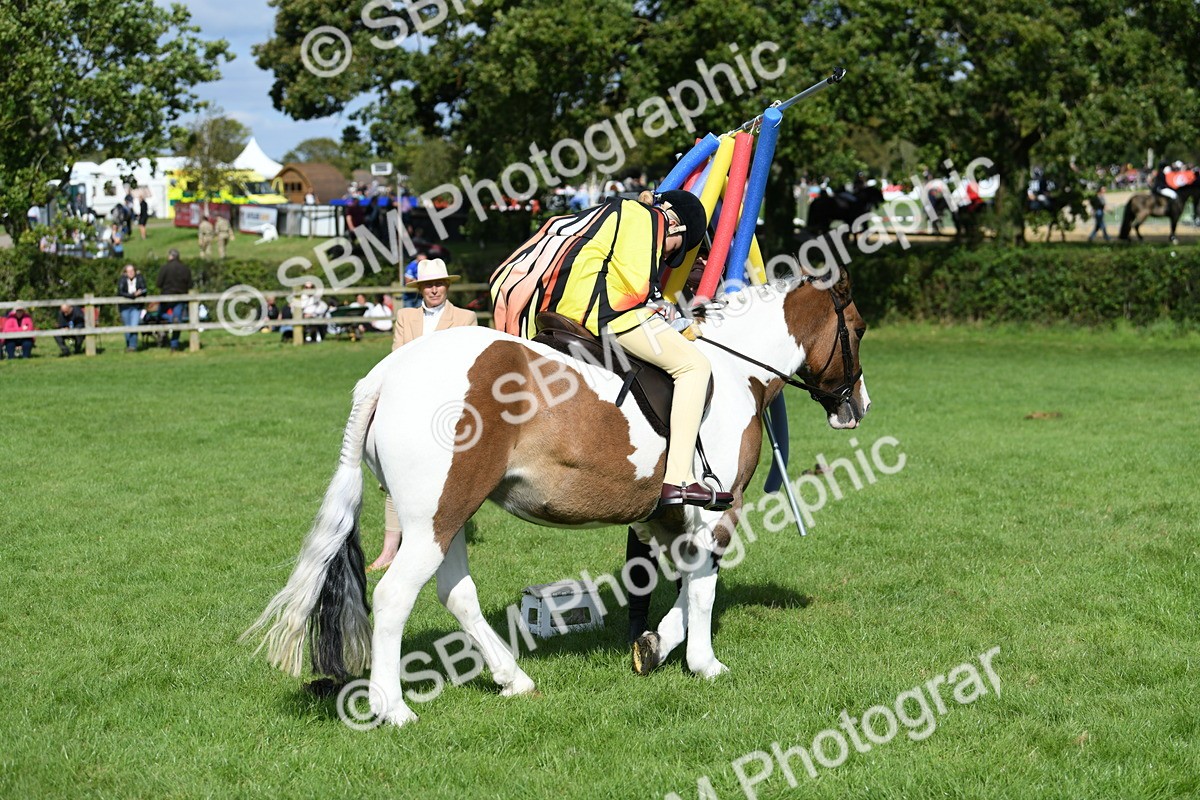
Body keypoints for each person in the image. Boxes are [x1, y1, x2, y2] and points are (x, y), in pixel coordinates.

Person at [490, 190, 732, 512]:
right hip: (606, 313)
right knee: (694, 366)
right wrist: (679, 323)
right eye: (676, 249)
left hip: (565, 307)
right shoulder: (647, 220)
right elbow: (634, 292)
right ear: (677, 228)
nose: (667, 256)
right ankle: (679, 479)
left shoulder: (617, 213)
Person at [368, 258, 478, 573]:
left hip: (448, 404)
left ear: (448, 285)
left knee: (446, 475)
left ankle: (439, 542)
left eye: (439, 283)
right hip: (409, 402)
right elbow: (397, 356)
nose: (434, 289)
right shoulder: (406, 317)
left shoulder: (465, 318)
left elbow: (465, 361)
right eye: (428, 284)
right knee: (396, 473)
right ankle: (389, 550)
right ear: (420, 288)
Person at [156, 249, 192, 351]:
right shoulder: (185, 268)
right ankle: (174, 345)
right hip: (180, 297)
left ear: (170, 256)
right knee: (178, 321)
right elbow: (190, 284)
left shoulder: (165, 268)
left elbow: (158, 283)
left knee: (159, 315)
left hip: (166, 297)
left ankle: (170, 319)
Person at [117, 264, 146, 352]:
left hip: (136, 307)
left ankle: (133, 346)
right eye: (128, 271)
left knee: (134, 325)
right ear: (125, 273)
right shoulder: (122, 280)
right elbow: (120, 292)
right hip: (125, 307)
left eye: (132, 271)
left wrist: (140, 292)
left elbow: (144, 289)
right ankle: (129, 344)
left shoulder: (140, 278)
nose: (131, 273)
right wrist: (132, 295)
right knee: (127, 327)